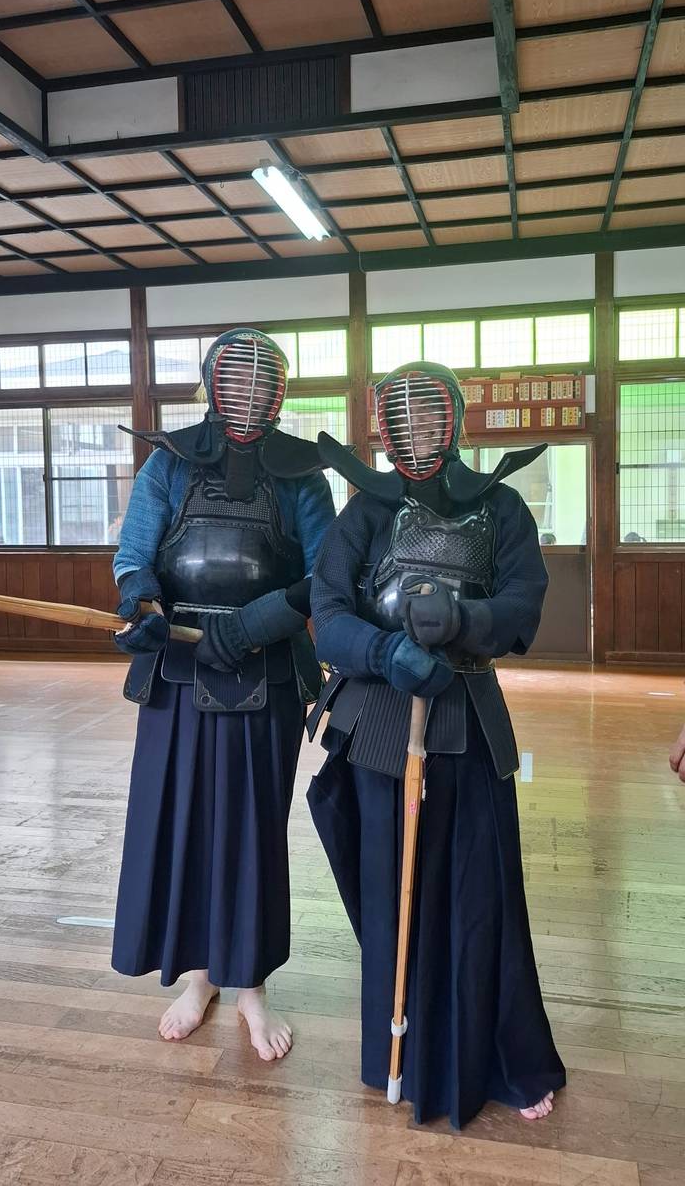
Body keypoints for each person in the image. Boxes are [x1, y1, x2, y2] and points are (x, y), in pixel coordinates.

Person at [307, 361, 565, 1127]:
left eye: (431, 416)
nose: (417, 431)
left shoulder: (503, 508)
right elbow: (328, 604)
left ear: (454, 421)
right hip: (381, 720)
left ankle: (500, 1056)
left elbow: (523, 606)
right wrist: (382, 652)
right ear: (384, 429)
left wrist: (462, 621)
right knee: (391, 894)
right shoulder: (365, 512)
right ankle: (400, 1050)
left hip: (468, 717)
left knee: (481, 891)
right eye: (402, 418)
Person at [111, 327, 335, 1060]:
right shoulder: (169, 461)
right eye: (233, 378)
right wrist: (142, 604)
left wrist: (262, 620)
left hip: (264, 665)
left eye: (260, 379)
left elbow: (328, 572)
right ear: (211, 383)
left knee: (251, 826)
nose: (246, 392)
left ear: (280, 390)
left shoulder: (301, 474)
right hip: (179, 665)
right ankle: (202, 975)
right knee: (187, 822)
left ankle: (252, 984)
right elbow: (135, 553)